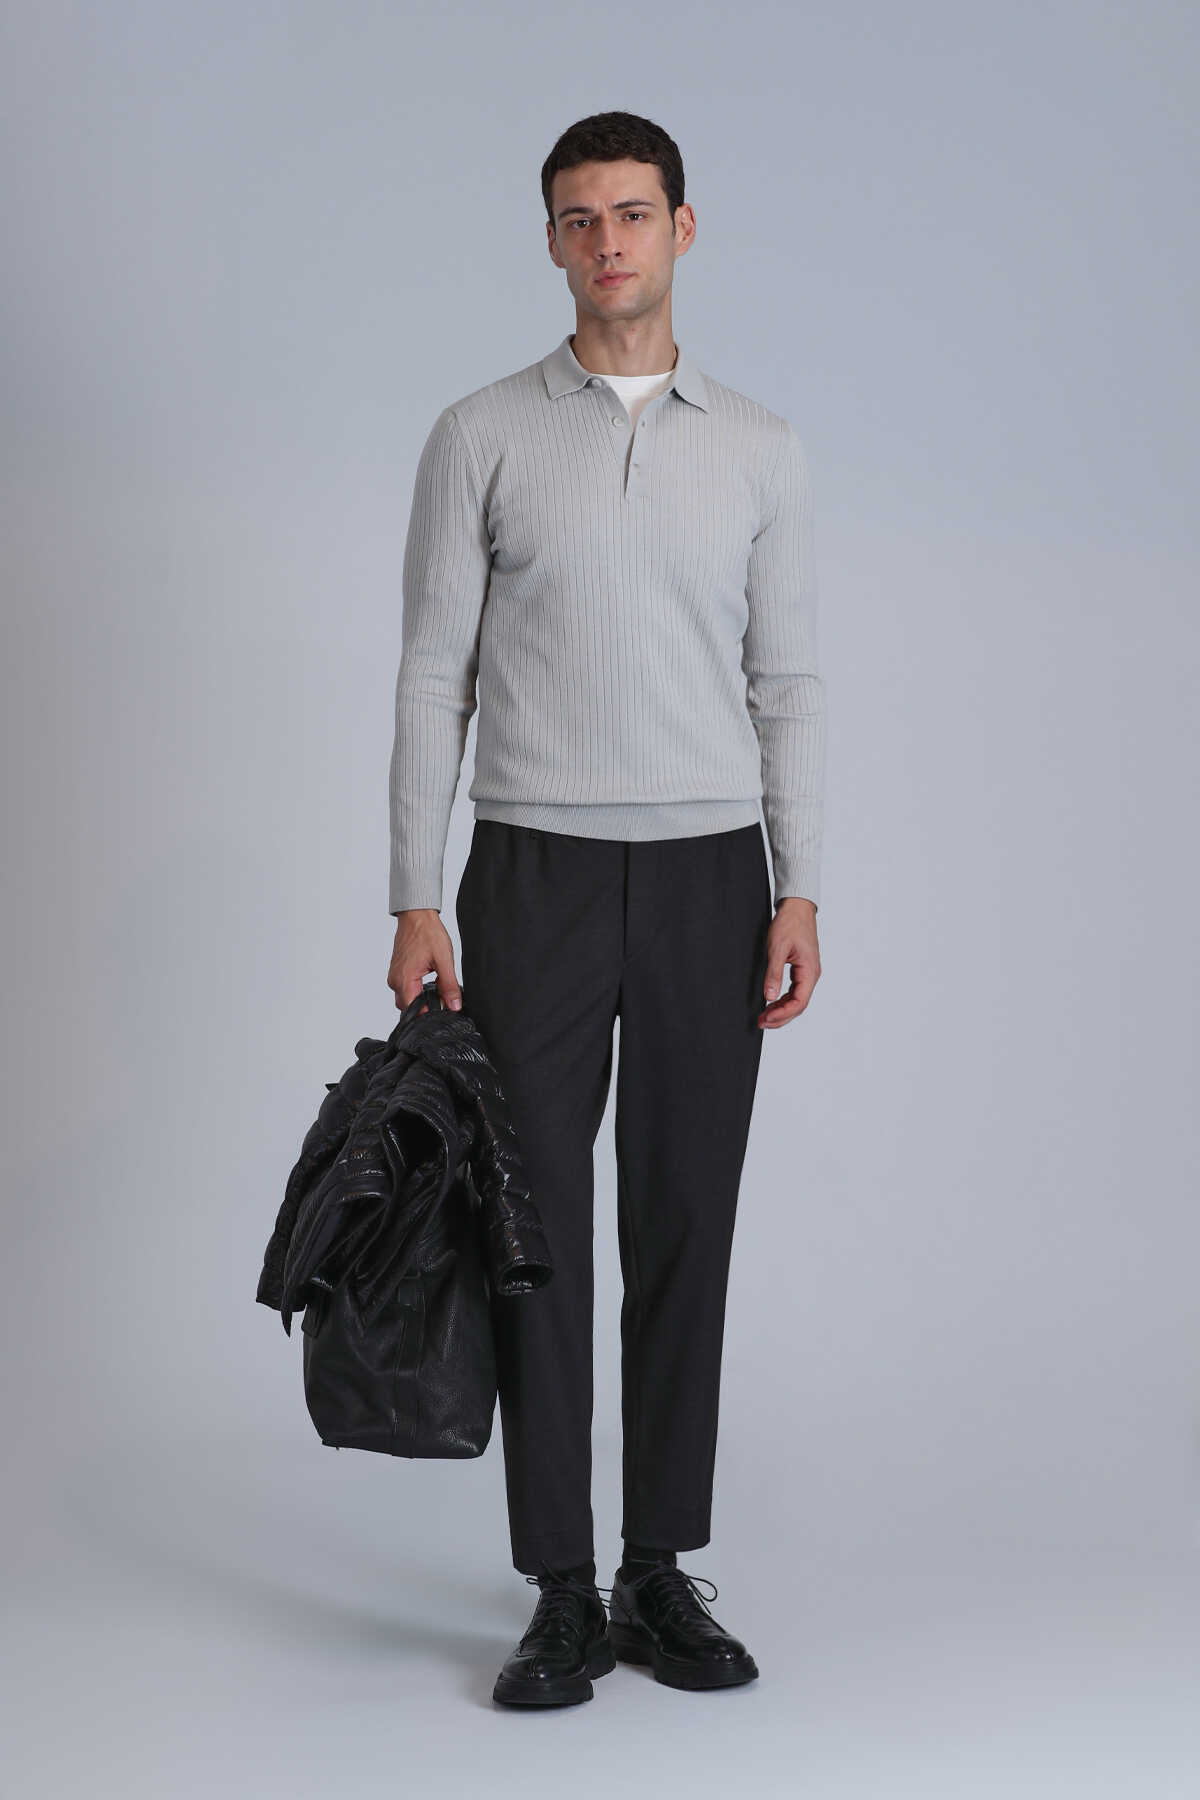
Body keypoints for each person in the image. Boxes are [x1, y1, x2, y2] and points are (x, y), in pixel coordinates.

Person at [386, 110, 825, 1708]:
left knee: (686, 1218)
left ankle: (658, 1568)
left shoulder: (761, 447)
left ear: (682, 229)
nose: (607, 243)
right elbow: (432, 675)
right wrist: (414, 894)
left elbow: (788, 684)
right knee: (535, 1232)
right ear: (552, 243)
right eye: (579, 220)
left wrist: (800, 882)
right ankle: (562, 1589)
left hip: (712, 875)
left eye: (632, 214)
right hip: (531, 871)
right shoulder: (482, 433)